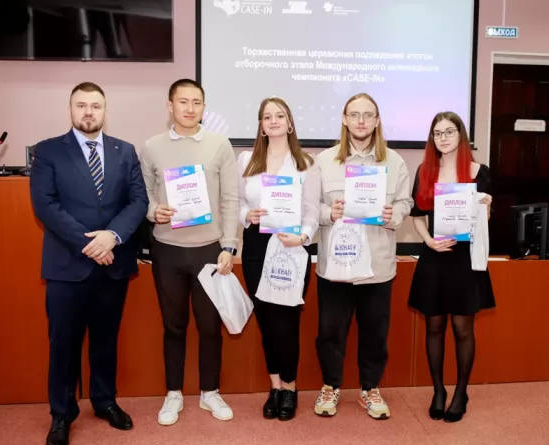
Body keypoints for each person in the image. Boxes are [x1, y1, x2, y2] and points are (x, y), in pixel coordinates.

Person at [30, 82, 149, 445]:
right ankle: (62, 414)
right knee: (63, 345)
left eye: (95, 106)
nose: (88, 112)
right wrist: (90, 244)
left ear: (104, 111)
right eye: (81, 105)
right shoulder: (48, 150)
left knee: (105, 340)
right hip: (67, 266)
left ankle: (104, 400)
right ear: (70, 110)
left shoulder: (125, 151)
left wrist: (112, 236)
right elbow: (45, 206)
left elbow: (138, 201)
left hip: (113, 265)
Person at [139, 78, 239, 426]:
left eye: (196, 102)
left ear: (204, 107)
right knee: (174, 325)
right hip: (167, 250)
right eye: (183, 102)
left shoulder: (219, 144)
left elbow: (230, 198)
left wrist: (229, 245)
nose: (190, 108)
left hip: (209, 250)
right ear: (170, 106)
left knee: (210, 326)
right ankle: (174, 393)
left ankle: (210, 392)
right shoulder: (152, 147)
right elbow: (143, 195)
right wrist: (154, 211)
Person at [313, 93, 413, 420]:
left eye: (367, 115)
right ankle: (330, 386)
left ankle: (370, 388)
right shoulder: (323, 161)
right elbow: (309, 206)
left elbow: (405, 202)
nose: (361, 121)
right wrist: (329, 212)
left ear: (377, 120)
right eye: (354, 114)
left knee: (374, 333)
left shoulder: (394, 162)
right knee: (330, 332)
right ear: (344, 119)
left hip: (377, 266)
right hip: (335, 266)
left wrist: (394, 215)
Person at [408, 111, 495, 423]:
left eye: (449, 132)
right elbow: (417, 217)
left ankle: (460, 392)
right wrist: (428, 241)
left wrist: (486, 207)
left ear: (461, 135)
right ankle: (438, 391)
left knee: (462, 328)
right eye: (437, 133)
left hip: (465, 260)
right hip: (434, 256)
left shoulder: (478, 171)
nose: (443, 138)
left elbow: (483, 220)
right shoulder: (425, 171)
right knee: (433, 326)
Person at [237, 97, 320, 421]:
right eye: (267, 116)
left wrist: (304, 237)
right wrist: (248, 215)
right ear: (261, 125)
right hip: (257, 246)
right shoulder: (246, 160)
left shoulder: (305, 163)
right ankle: (274, 387)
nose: (273, 121)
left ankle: (290, 387)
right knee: (266, 320)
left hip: (291, 246)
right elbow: (237, 203)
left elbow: (312, 212)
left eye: (279, 115)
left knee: (286, 322)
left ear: (289, 123)